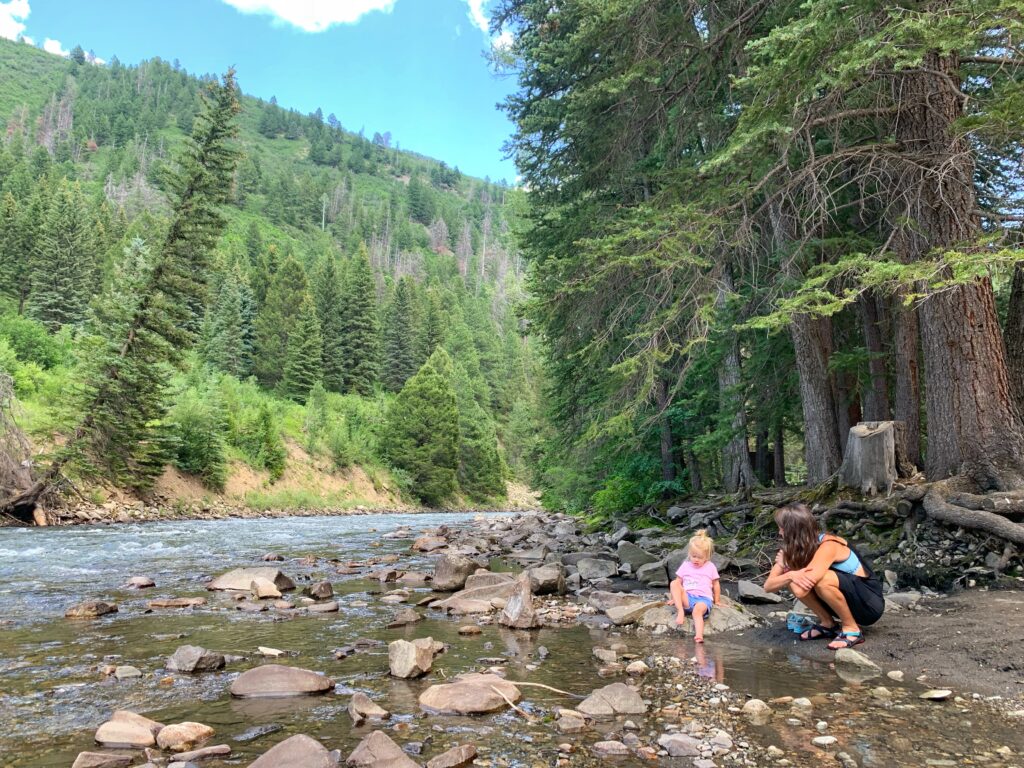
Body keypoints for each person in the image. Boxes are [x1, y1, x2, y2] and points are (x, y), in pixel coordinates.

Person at [764, 502, 884, 649]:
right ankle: (828, 624)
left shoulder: (828, 545)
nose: (779, 533)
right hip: (845, 601)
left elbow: (800, 590)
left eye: (781, 528)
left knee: (821, 579)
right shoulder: (793, 550)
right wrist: (786, 569)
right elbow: (768, 586)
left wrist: (790, 573)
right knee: (791, 576)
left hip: (868, 605)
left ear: (791, 530)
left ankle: (852, 629)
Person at [669, 529, 721, 643]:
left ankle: (699, 636)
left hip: (703, 599)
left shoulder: (710, 566)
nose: (696, 560)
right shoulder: (686, 565)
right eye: (693, 556)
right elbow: (678, 582)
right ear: (689, 554)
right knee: (674, 583)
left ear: (707, 557)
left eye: (700, 557)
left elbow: (716, 584)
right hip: (688, 597)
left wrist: (717, 601)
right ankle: (681, 611)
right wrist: (674, 598)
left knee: (697, 611)